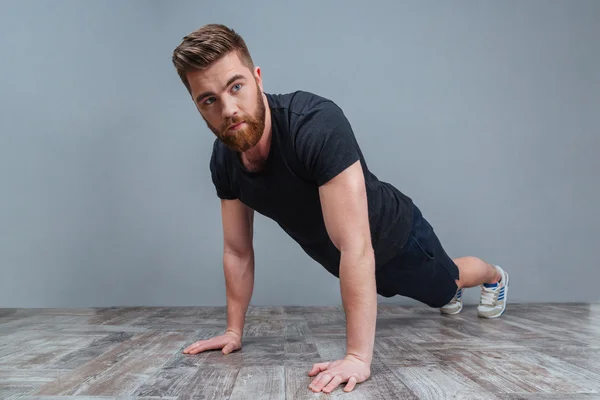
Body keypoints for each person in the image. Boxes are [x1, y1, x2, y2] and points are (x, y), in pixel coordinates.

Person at [171, 23, 509, 394]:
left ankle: (494, 276)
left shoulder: (314, 125)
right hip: (349, 263)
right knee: (427, 289)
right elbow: (237, 251)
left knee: (448, 284)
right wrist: (233, 331)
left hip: (395, 239)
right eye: (209, 100)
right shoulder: (225, 159)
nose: (229, 109)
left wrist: (357, 358)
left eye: (236, 87)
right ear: (197, 106)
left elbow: (357, 245)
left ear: (257, 78)